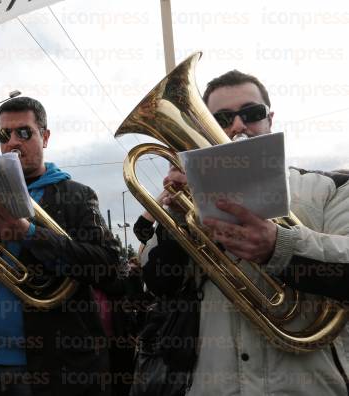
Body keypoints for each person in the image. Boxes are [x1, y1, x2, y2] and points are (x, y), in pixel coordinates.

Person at [141, 70, 349, 395]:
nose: (237, 127)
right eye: (222, 119)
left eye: (251, 114)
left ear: (270, 120)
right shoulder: (188, 202)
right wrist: (178, 219)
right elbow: (157, 283)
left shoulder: (330, 187)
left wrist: (279, 246)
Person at [0, 96, 121, 395]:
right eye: (4, 135)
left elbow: (109, 268)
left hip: (50, 370)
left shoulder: (77, 194)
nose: (12, 142)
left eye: (24, 132)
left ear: (45, 137)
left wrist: (29, 233)